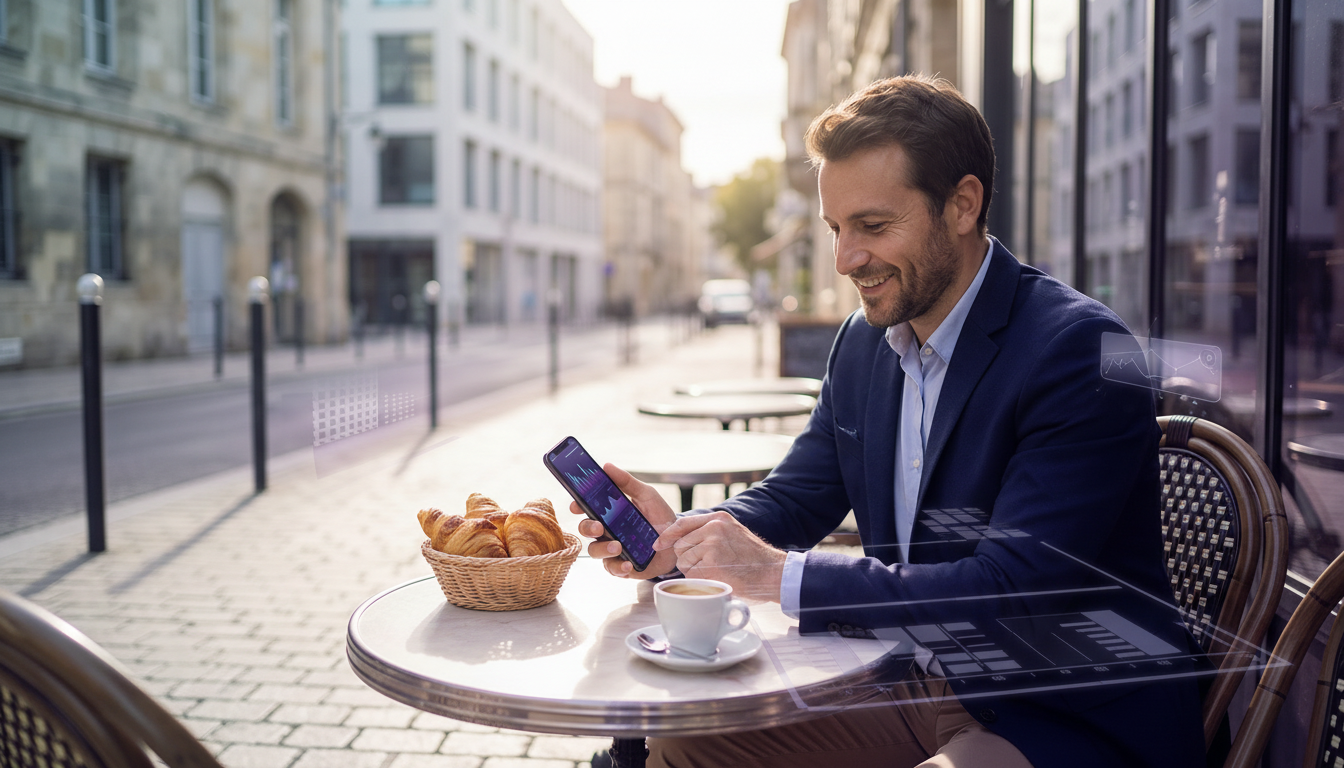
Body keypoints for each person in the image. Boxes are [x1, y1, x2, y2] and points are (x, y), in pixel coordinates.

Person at [575, 75, 1205, 768]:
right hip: (914, 683)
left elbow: (1012, 592)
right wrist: (684, 540)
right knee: (684, 741)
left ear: (963, 204)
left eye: (873, 226)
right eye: (837, 229)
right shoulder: (865, 341)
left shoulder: (1079, 350)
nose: (847, 259)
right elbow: (796, 496)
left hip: (1061, 717)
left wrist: (782, 576)